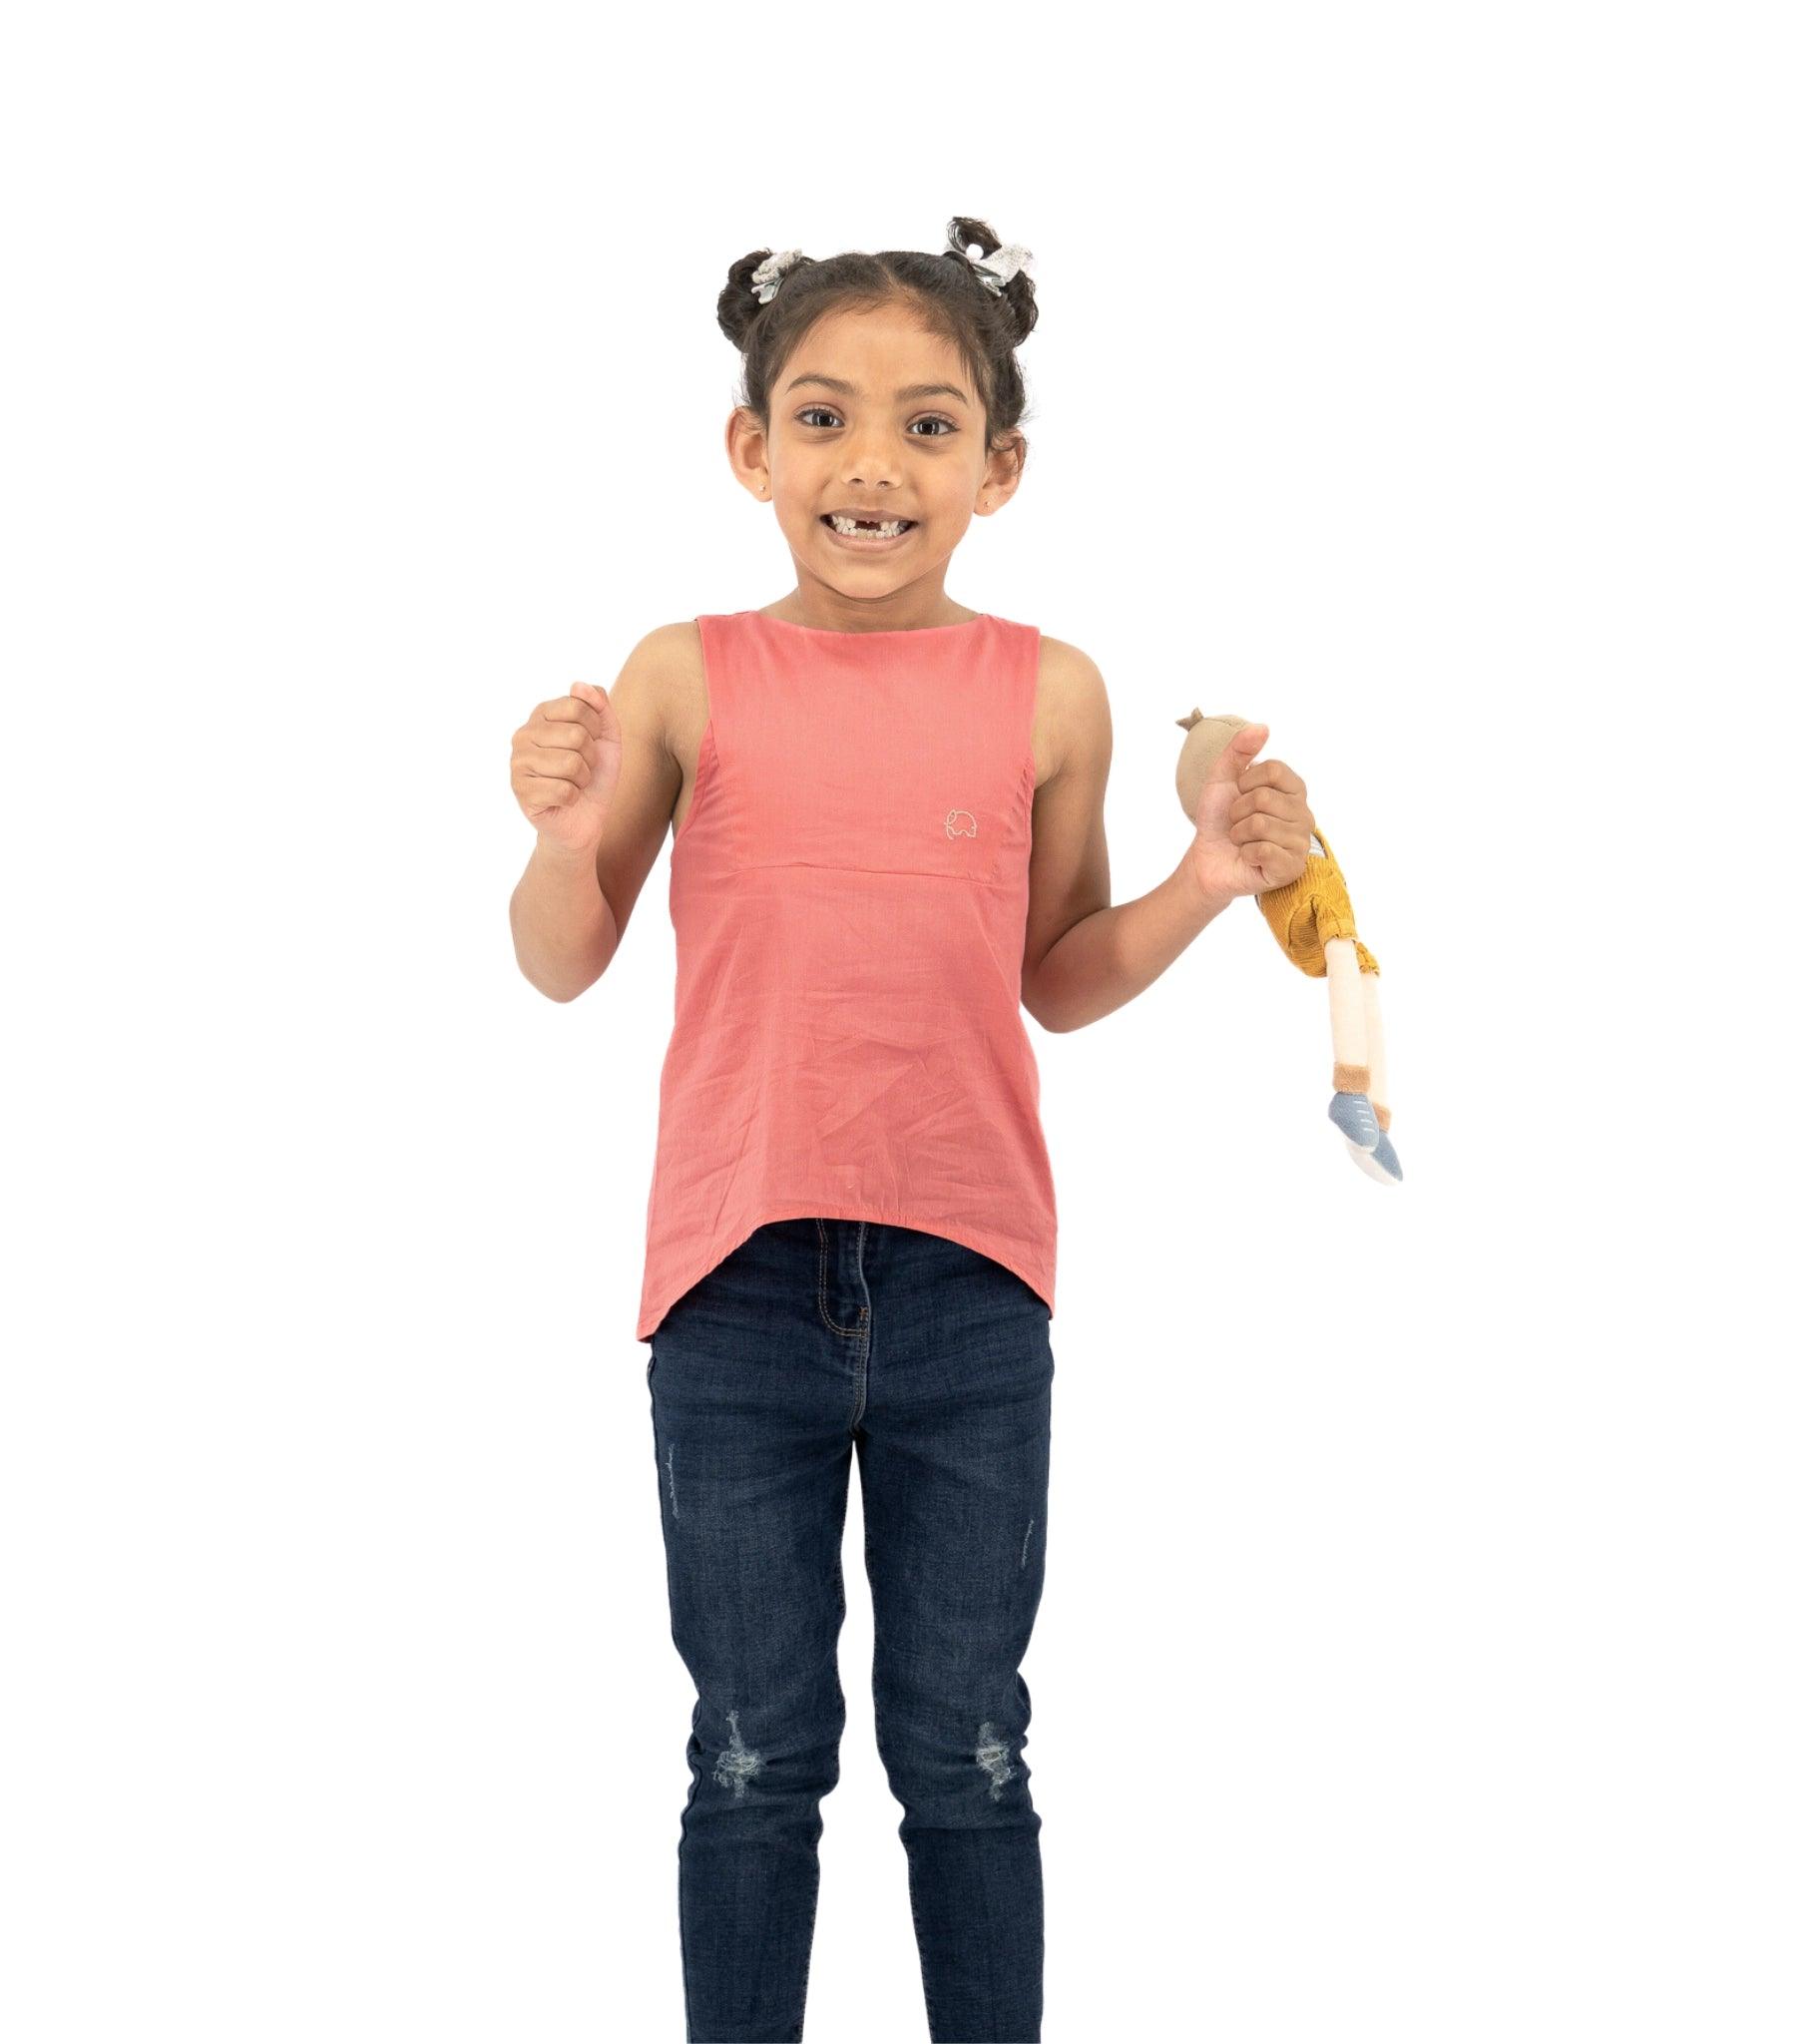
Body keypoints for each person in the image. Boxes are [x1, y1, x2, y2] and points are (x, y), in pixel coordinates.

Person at [506, 217, 1317, 2044]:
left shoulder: (1049, 691)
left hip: (969, 1281)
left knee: (968, 1748)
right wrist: (560, 844)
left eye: (930, 428)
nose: (872, 465)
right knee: (749, 1752)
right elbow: (563, 964)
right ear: (751, 449)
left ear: (998, 469)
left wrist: (1201, 883)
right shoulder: (681, 674)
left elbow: (1059, 973)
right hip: (728, 1283)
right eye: (822, 418)